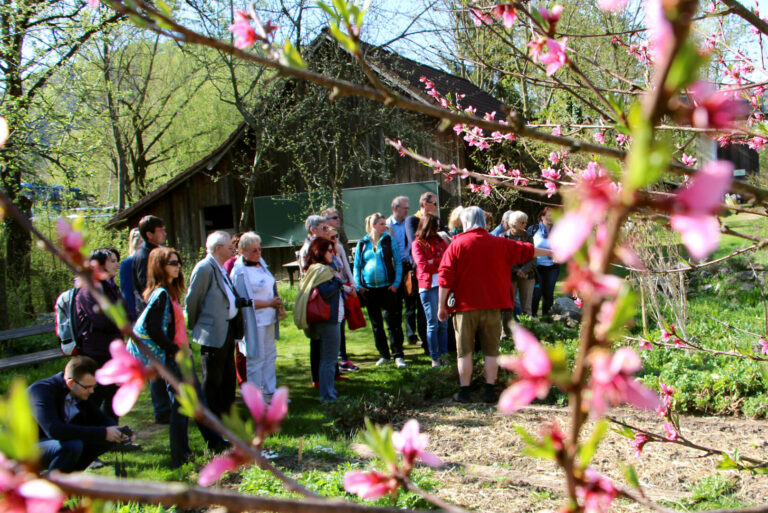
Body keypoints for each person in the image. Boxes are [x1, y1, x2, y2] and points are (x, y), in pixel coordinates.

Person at [437, 207, 554, 403]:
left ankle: (464, 392)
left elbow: (445, 277)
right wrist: (550, 252)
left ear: (465, 223)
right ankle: (489, 390)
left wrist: (441, 306)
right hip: (493, 306)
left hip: (464, 307)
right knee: (492, 350)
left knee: (464, 351)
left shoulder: (456, 245)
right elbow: (527, 250)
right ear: (483, 222)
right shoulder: (499, 243)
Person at [136, 246, 227, 468]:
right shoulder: (161, 295)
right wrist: (173, 350)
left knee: (196, 403)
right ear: (160, 267)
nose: (178, 267)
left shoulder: (170, 293)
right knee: (182, 407)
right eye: (172, 263)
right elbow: (153, 328)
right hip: (174, 360)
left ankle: (213, 443)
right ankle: (181, 455)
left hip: (180, 358)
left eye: (178, 263)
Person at [185, 231, 251, 418]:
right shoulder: (205, 268)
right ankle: (211, 414)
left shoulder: (221, 267)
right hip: (213, 331)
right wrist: (198, 324)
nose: (233, 248)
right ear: (217, 248)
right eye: (229, 246)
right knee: (213, 377)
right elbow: (193, 300)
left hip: (227, 328)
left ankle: (226, 411)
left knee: (228, 374)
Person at [28, 356, 129, 473]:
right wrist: (104, 432)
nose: (92, 391)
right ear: (71, 383)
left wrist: (118, 431)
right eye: (88, 387)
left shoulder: (78, 392)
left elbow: (101, 418)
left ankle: (68, 480)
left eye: (93, 386)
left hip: (47, 444)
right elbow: (54, 430)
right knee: (72, 446)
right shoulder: (41, 391)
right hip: (21, 447)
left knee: (103, 440)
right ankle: (52, 486)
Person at [75, 248, 127, 421]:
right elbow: (100, 320)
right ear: (99, 266)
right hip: (96, 351)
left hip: (112, 348)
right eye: (112, 261)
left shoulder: (111, 287)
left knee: (113, 392)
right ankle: (89, 433)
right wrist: (122, 322)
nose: (117, 264)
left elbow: (126, 311)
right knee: (95, 395)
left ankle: (114, 436)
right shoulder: (88, 290)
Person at [230, 232, 282, 398]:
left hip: (268, 318)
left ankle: (270, 390)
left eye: (260, 249)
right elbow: (243, 300)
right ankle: (255, 396)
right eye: (254, 250)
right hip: (253, 321)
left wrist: (276, 303)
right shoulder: (240, 272)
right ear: (243, 251)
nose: (258, 253)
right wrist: (268, 303)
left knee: (269, 355)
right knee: (256, 358)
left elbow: (270, 285)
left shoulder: (262, 264)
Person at [131, 215, 171, 424]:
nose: (165, 234)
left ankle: (168, 404)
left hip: (160, 314)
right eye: (161, 230)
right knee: (156, 363)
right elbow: (142, 288)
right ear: (149, 234)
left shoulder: (155, 252)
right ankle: (162, 411)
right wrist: (153, 311)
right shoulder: (144, 255)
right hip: (151, 317)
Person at [296, 237, 345, 402]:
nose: (332, 254)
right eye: (329, 251)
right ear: (320, 252)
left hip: (323, 320)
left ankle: (329, 390)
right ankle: (327, 396)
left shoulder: (314, 269)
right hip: (328, 320)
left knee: (327, 359)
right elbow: (325, 292)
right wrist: (338, 280)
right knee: (329, 359)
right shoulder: (323, 270)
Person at [354, 212, 405, 368]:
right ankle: (384, 355)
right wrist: (358, 285)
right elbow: (357, 266)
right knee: (377, 324)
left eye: (385, 223)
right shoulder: (362, 243)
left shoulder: (389, 241)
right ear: (373, 225)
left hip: (388, 288)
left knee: (393, 323)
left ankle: (398, 355)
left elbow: (398, 262)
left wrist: (396, 283)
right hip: (369, 290)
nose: (385, 226)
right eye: (382, 224)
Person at [322, 208, 359, 372]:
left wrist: (353, 285)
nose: (335, 239)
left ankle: (343, 358)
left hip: (342, 289)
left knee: (342, 324)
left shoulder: (339, 247)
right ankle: (338, 361)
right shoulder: (323, 250)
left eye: (336, 236)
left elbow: (346, 268)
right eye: (332, 237)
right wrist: (345, 287)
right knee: (334, 326)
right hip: (333, 290)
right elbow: (330, 275)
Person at [411, 214, 449, 367]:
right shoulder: (417, 243)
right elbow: (424, 266)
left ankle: (444, 354)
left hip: (442, 284)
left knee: (444, 323)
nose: (438, 229)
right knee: (433, 322)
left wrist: (434, 261)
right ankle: (435, 357)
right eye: (435, 226)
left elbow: (448, 259)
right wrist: (436, 263)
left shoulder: (440, 240)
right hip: (427, 286)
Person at [405, 193, 441, 351]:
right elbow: (417, 240)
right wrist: (432, 262)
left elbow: (444, 247)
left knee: (440, 317)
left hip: (439, 279)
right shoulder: (413, 220)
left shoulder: (436, 222)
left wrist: (436, 261)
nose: (437, 206)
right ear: (425, 204)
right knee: (424, 314)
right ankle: (428, 347)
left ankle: (442, 346)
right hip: (421, 275)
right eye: (434, 203)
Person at [503, 211, 537, 324]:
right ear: (513, 223)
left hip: (527, 275)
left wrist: (524, 270)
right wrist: (517, 270)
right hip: (510, 275)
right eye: (522, 222)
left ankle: (528, 332)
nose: (525, 224)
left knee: (526, 308)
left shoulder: (528, 236)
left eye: (525, 222)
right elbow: (504, 258)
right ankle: (506, 334)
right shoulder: (504, 237)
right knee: (508, 306)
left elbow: (533, 255)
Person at [530, 207, 560, 318]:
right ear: (542, 217)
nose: (551, 218)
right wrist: (548, 253)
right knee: (536, 294)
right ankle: (532, 317)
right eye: (548, 215)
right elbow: (528, 248)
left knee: (548, 294)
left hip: (552, 267)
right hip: (536, 267)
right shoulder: (533, 229)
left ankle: (547, 318)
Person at [119, 228, 142, 318]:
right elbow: (127, 292)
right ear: (135, 244)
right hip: (137, 312)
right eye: (142, 242)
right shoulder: (128, 263)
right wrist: (134, 317)